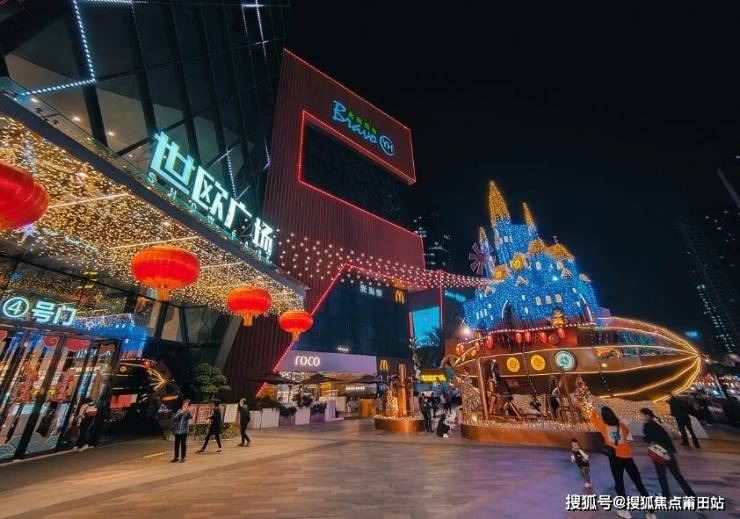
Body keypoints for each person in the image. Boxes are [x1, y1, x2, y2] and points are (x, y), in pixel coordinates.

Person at [591, 405, 655, 519]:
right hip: (628, 458)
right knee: (639, 483)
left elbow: (593, 417)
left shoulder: (603, 426)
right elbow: (627, 433)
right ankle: (651, 512)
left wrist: (595, 408)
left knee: (619, 484)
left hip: (614, 459)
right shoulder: (622, 426)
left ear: (604, 417)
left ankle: (624, 511)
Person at [640, 408, 695, 498]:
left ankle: (666, 494)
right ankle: (691, 495)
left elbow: (648, 439)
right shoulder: (657, 423)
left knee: (661, 475)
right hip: (668, 451)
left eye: (642, 415)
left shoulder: (648, 425)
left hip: (659, 452)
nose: (642, 417)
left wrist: (644, 437)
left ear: (647, 415)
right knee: (677, 475)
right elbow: (665, 437)